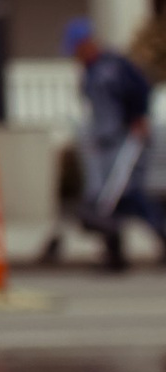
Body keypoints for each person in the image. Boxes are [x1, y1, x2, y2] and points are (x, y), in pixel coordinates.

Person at [57, 18, 166, 271]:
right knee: (108, 200)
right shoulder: (91, 71)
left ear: (86, 44)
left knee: (126, 195)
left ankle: (150, 242)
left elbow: (141, 88)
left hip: (124, 141)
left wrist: (138, 117)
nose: (75, 55)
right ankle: (114, 255)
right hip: (104, 145)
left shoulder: (114, 66)